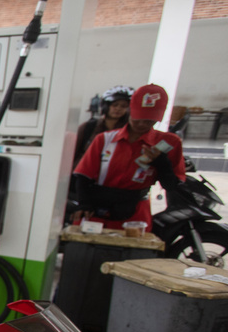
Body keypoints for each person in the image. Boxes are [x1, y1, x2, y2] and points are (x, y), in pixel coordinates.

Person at [72, 83, 185, 231]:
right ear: (130, 112)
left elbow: (171, 185)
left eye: (149, 121)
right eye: (137, 119)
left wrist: (162, 163)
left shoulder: (169, 143)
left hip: (135, 215)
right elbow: (83, 176)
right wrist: (84, 204)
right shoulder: (105, 139)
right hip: (96, 212)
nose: (142, 125)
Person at [72, 85, 132, 168]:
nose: (118, 109)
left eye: (123, 106)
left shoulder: (129, 130)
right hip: (84, 170)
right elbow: (71, 153)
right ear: (106, 106)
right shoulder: (89, 127)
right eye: (115, 105)